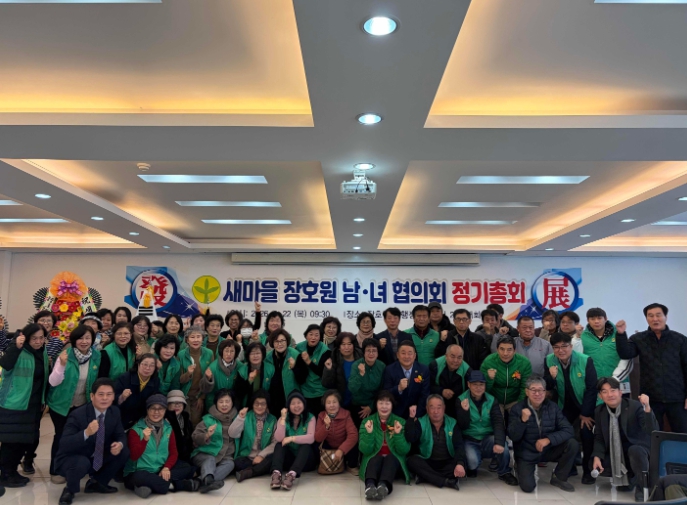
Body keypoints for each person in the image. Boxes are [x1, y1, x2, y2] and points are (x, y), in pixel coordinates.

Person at [54, 378, 129, 505]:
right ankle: (70, 490)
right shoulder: (77, 414)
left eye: (109, 394)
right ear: (92, 396)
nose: (105, 398)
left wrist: (119, 444)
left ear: (113, 397)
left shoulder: (114, 412)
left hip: (97, 454)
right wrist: (86, 433)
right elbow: (64, 443)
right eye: (101, 394)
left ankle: (97, 483)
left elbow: (121, 435)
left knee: (123, 451)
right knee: (82, 462)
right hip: (74, 457)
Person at [615, 303, 687, 433]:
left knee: (682, 433)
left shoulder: (680, 339)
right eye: (651, 316)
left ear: (665, 317)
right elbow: (626, 353)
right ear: (646, 318)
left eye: (658, 315)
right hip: (650, 398)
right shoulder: (638, 339)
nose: (655, 319)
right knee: (652, 434)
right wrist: (621, 334)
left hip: (677, 397)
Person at [591, 377, 659, 502]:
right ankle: (630, 478)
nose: (610, 395)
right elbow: (599, 436)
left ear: (620, 392)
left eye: (613, 390)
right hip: (619, 452)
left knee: (635, 451)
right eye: (604, 392)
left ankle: (643, 487)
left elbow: (652, 430)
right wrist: (597, 456)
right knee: (599, 462)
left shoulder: (634, 406)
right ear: (600, 396)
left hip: (639, 449)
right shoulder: (600, 411)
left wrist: (647, 408)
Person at [47, 326, 101, 482]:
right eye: (80, 338)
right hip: (61, 404)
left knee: (80, 437)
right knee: (61, 436)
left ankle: (75, 467)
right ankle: (56, 470)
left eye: (87, 338)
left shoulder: (96, 356)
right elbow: (53, 381)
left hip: (82, 405)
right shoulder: (65, 355)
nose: (84, 341)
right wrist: (62, 365)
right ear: (74, 340)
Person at [544, 332, 598, 484]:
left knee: (586, 435)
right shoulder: (549, 360)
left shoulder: (585, 360)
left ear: (571, 346)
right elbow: (547, 387)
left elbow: (592, 388)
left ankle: (588, 471)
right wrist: (551, 376)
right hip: (563, 405)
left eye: (564, 346)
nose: (560, 350)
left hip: (584, 404)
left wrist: (585, 413)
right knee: (565, 435)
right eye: (556, 347)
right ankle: (570, 467)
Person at [509, 376, 578, 493]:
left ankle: (559, 477)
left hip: (547, 449)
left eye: (540, 390)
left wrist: (548, 439)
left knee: (572, 444)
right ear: (527, 392)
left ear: (545, 392)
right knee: (528, 487)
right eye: (533, 390)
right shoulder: (517, 408)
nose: (537, 394)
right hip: (527, 453)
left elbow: (568, 430)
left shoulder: (553, 407)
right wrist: (522, 421)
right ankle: (519, 465)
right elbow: (513, 436)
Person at [0, 324, 48, 488]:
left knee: (23, 441)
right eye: (34, 338)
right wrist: (15, 347)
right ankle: (5, 474)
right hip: (14, 403)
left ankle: (12, 471)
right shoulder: (18, 348)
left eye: (41, 338)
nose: (38, 341)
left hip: (33, 404)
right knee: (11, 442)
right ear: (26, 338)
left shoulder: (42, 352)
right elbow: (5, 364)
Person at [124, 394, 199, 497]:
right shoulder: (136, 430)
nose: (156, 412)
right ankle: (176, 485)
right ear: (147, 410)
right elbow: (133, 456)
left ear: (165, 411)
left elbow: (173, 453)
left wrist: (166, 467)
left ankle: (149, 486)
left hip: (159, 469)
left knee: (186, 467)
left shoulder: (168, 428)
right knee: (139, 477)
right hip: (139, 471)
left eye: (160, 409)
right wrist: (144, 440)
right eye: (153, 408)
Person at [456, 371, 517, 485]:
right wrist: (464, 411)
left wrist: (499, 442)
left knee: (503, 445)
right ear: (468, 384)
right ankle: (472, 465)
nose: (478, 388)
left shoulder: (492, 400)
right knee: (473, 463)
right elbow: (462, 425)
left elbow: (498, 422)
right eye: (475, 384)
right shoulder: (461, 399)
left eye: (481, 384)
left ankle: (504, 472)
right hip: (470, 439)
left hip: (487, 438)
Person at [405, 395, 465, 490]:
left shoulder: (452, 423)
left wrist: (460, 464)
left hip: (447, 462)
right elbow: (411, 438)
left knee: (462, 464)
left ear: (444, 408)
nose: (435, 411)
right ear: (427, 409)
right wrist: (411, 418)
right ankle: (445, 481)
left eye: (439, 407)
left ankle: (425, 477)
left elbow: (459, 446)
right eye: (432, 407)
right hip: (428, 461)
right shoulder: (421, 422)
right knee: (412, 461)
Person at [359, 390, 411, 500]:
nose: (384, 406)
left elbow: (404, 450)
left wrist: (398, 434)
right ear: (376, 405)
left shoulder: (400, 422)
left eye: (387, 403)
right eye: (381, 403)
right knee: (375, 457)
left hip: (393, 465)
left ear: (392, 405)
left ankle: (383, 486)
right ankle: (370, 486)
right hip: (374, 463)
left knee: (391, 458)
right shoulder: (367, 422)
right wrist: (369, 433)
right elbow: (365, 450)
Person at [576, 307, 633, 396]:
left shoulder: (618, 334)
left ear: (605, 319)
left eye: (599, 318)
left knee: (623, 405)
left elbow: (627, 357)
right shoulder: (582, 336)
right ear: (587, 320)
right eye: (592, 319)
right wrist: (577, 337)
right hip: (595, 385)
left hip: (619, 382)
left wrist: (615, 379)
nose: (596, 321)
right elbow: (576, 358)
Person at [191, 389, 238, 493]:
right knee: (210, 459)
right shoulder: (208, 419)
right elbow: (195, 437)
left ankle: (201, 481)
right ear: (216, 403)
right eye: (221, 402)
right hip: (204, 454)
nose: (224, 405)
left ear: (232, 403)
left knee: (230, 464)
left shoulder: (237, 420)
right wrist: (207, 435)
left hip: (225, 456)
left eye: (227, 401)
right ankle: (208, 480)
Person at [270, 391, 318, 491]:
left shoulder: (310, 417)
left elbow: (311, 438)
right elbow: (278, 438)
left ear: (303, 403)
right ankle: (276, 474)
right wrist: (283, 419)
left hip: (306, 462)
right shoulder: (284, 418)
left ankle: (291, 475)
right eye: (293, 403)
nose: (296, 406)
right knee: (279, 445)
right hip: (290, 460)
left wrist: (292, 438)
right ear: (288, 406)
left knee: (306, 445)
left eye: (299, 402)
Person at [230, 389, 278, 483]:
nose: (259, 406)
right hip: (247, 457)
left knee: (274, 458)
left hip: (264, 457)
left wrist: (261, 455)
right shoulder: (246, 416)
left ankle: (249, 472)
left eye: (263, 404)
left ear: (267, 405)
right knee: (237, 463)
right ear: (252, 404)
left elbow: (275, 442)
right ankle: (258, 469)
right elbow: (232, 434)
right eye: (257, 403)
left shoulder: (272, 419)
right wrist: (240, 418)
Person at [480, 335, 532, 413]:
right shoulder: (488, 362)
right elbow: (483, 389)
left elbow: (524, 387)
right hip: (495, 401)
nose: (505, 353)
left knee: (519, 418)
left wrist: (519, 405)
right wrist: (489, 379)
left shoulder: (524, 363)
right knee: (497, 420)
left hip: (515, 400)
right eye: (502, 349)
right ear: (497, 350)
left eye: (509, 349)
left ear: (515, 350)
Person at [314, 390, 359, 473]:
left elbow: (353, 435)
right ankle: (322, 465)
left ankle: (351, 466)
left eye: (334, 402)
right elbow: (317, 438)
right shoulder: (321, 415)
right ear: (325, 405)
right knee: (315, 445)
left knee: (354, 443)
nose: (332, 405)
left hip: (343, 445)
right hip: (328, 446)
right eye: (328, 403)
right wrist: (326, 426)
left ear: (339, 403)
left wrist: (341, 449)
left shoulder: (346, 414)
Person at [382, 341, 430, 419]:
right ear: (397, 355)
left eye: (410, 353)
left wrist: (417, 415)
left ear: (414, 356)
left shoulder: (423, 370)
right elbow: (386, 394)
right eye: (403, 353)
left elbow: (425, 395)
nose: (406, 356)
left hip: (417, 413)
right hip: (395, 414)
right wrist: (398, 388)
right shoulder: (389, 370)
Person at [115, 353, 161, 430]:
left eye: (151, 366)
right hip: (122, 417)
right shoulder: (125, 377)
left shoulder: (155, 381)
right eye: (145, 364)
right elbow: (113, 398)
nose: (147, 368)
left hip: (141, 419)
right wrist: (122, 397)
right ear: (138, 364)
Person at [178, 325, 214, 426]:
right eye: (192, 337)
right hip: (184, 395)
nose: (196, 340)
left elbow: (210, 378)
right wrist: (188, 373)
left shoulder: (209, 353)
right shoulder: (181, 355)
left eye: (198, 337)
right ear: (187, 340)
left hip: (199, 395)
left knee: (195, 422)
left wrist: (202, 397)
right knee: (184, 422)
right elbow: (180, 380)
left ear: (203, 339)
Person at [265, 329, 305, 415]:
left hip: (291, 400)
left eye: (282, 340)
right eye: (276, 341)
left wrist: (294, 367)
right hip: (273, 401)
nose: (280, 344)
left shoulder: (295, 355)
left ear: (287, 341)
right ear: (272, 343)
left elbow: (302, 379)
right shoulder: (267, 357)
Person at [349, 338, 386, 429]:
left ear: (378, 353)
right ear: (364, 353)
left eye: (374, 351)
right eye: (368, 351)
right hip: (359, 405)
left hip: (375, 404)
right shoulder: (356, 365)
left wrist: (371, 406)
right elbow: (352, 388)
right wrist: (360, 374)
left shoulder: (382, 366)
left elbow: (383, 390)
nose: (371, 353)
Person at [296, 324, 331, 415]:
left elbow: (322, 372)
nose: (313, 337)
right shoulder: (299, 347)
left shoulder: (325, 350)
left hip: (320, 391)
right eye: (311, 334)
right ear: (306, 335)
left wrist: (309, 362)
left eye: (316, 335)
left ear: (320, 337)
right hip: (304, 391)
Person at [428, 344, 470, 419]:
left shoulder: (467, 371)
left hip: (458, 403)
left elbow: (469, 391)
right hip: (438, 399)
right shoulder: (435, 365)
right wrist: (441, 391)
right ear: (446, 356)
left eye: (459, 357)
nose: (455, 360)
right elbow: (428, 385)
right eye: (452, 356)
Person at [322, 332, 363, 409]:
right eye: (343, 344)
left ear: (354, 345)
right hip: (341, 404)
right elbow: (326, 384)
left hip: (360, 403)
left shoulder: (362, 357)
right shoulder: (334, 359)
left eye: (349, 344)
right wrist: (329, 370)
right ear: (339, 347)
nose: (346, 347)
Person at [201, 339, 245, 409]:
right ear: (222, 352)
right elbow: (205, 390)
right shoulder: (212, 367)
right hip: (214, 404)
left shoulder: (241, 367)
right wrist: (208, 379)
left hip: (233, 404)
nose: (229, 354)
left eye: (232, 351)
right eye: (226, 351)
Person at [165, 390, 193, 463]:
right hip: (168, 458)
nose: (177, 405)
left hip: (186, 456)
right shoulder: (163, 421)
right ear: (167, 405)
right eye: (173, 402)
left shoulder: (186, 420)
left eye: (180, 402)